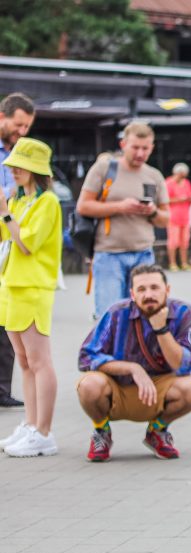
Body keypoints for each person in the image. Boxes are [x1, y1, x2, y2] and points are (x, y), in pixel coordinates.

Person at [77, 264, 191, 462]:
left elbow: (185, 365)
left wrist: (161, 329)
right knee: (88, 384)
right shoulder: (117, 312)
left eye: (155, 288)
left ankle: (157, 431)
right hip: (118, 387)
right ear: (132, 294)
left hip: (159, 389)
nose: (148, 294)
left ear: (167, 290)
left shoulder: (184, 312)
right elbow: (86, 356)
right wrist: (131, 368)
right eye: (141, 289)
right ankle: (101, 431)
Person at [0, 138, 62, 457]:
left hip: (34, 286)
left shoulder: (47, 202)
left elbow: (26, 244)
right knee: (24, 361)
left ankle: (44, 432)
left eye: (21, 166)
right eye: (13, 165)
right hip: (10, 284)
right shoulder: (18, 200)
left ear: (36, 170)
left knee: (39, 361)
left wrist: (4, 213)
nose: (14, 171)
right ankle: (31, 424)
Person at [76, 121, 170, 318]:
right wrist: (120, 207)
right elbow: (83, 206)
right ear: (123, 144)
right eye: (135, 147)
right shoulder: (104, 168)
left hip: (143, 254)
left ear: (151, 148)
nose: (140, 153)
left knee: (145, 316)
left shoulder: (154, 175)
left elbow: (165, 219)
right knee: (110, 318)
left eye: (145, 148)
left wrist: (151, 211)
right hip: (109, 253)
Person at [0, 91, 34, 409]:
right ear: (3, 117)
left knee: (5, 318)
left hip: (6, 242)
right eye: (19, 125)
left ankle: (1, 390)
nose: (22, 132)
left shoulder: (17, 153)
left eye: (26, 127)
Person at [164, 163, 191, 271]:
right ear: (176, 173)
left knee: (184, 241)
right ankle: (172, 263)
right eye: (180, 175)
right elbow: (165, 200)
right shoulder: (168, 183)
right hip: (173, 217)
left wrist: (190, 198)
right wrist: (179, 199)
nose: (182, 177)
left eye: (184, 175)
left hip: (185, 217)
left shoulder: (186, 183)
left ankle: (184, 263)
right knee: (173, 241)